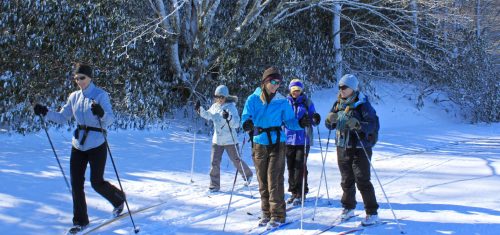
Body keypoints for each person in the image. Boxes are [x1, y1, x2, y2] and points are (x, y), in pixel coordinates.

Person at [33, 63, 125, 234]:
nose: (79, 81)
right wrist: (45, 112)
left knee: (96, 182)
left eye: (81, 78)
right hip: (78, 144)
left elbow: (111, 119)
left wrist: (101, 113)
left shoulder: (100, 95)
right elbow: (62, 118)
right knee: (76, 183)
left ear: (89, 77)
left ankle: (118, 199)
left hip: (97, 143)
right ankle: (80, 221)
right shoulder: (74, 96)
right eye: (76, 78)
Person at [241, 66, 311, 229]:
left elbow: (290, 121)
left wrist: (300, 123)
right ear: (265, 81)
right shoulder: (253, 99)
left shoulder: (281, 101)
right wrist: (247, 124)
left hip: (277, 143)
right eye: (272, 81)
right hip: (259, 142)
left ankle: (278, 214)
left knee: (274, 179)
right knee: (262, 180)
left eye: (278, 82)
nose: (275, 85)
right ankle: (266, 212)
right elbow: (245, 116)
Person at [324, 74, 380, 226]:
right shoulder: (338, 103)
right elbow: (329, 125)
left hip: (360, 147)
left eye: (344, 87)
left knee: (362, 180)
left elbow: (373, 124)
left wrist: (358, 124)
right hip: (342, 146)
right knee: (346, 180)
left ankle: (372, 212)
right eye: (340, 87)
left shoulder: (363, 104)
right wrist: (329, 120)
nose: (341, 90)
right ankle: (348, 208)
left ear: (353, 88)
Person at [195, 85, 253, 193]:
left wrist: (229, 117)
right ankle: (214, 185)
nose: (219, 99)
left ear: (226, 97)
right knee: (214, 162)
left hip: (230, 140)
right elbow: (208, 115)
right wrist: (200, 110)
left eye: (221, 97)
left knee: (236, 161)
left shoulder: (231, 107)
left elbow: (236, 124)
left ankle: (248, 175)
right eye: (217, 97)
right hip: (217, 140)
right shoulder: (215, 106)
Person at [284, 78, 321, 205]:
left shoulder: (307, 102)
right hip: (288, 139)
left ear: (301, 90)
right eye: (294, 90)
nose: (296, 92)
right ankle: (294, 192)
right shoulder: (285, 102)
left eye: (298, 90)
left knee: (300, 166)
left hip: (303, 139)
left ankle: (301, 192)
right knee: (290, 167)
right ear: (290, 90)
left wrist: (314, 119)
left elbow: (313, 118)